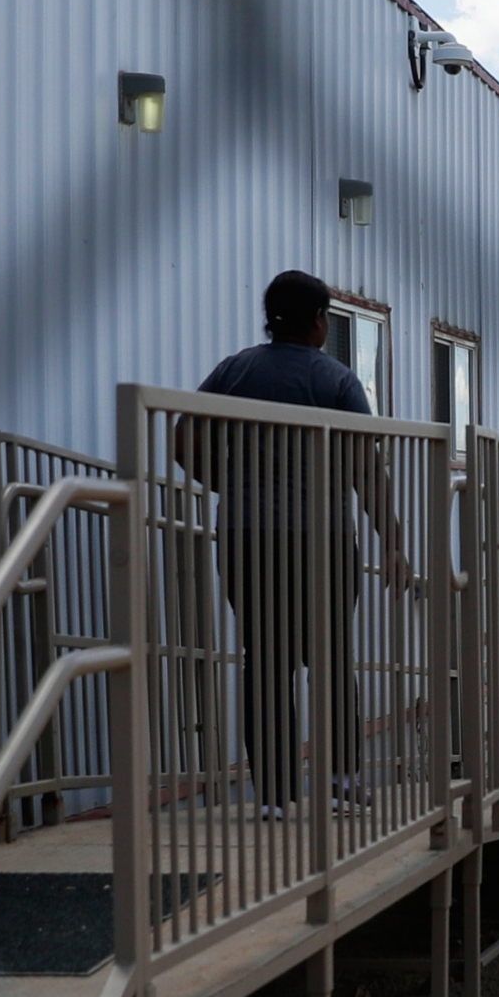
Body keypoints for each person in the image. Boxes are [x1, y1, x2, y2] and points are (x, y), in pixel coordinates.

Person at [193, 271, 406, 810]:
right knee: (330, 655)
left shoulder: (234, 371)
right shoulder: (336, 379)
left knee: (265, 660)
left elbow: (182, 434)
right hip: (321, 539)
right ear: (318, 320)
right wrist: (392, 541)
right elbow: (365, 467)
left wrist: (223, 481)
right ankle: (341, 783)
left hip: (246, 534)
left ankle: (274, 794)